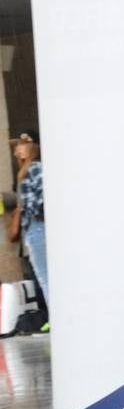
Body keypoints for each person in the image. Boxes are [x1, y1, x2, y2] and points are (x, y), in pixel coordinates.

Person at [12, 130, 48, 327]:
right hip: (35, 229)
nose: (18, 148)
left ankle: (56, 322)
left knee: (45, 280)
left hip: (37, 228)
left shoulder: (34, 168)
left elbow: (43, 199)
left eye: (22, 143)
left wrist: (28, 211)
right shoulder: (27, 170)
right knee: (44, 279)